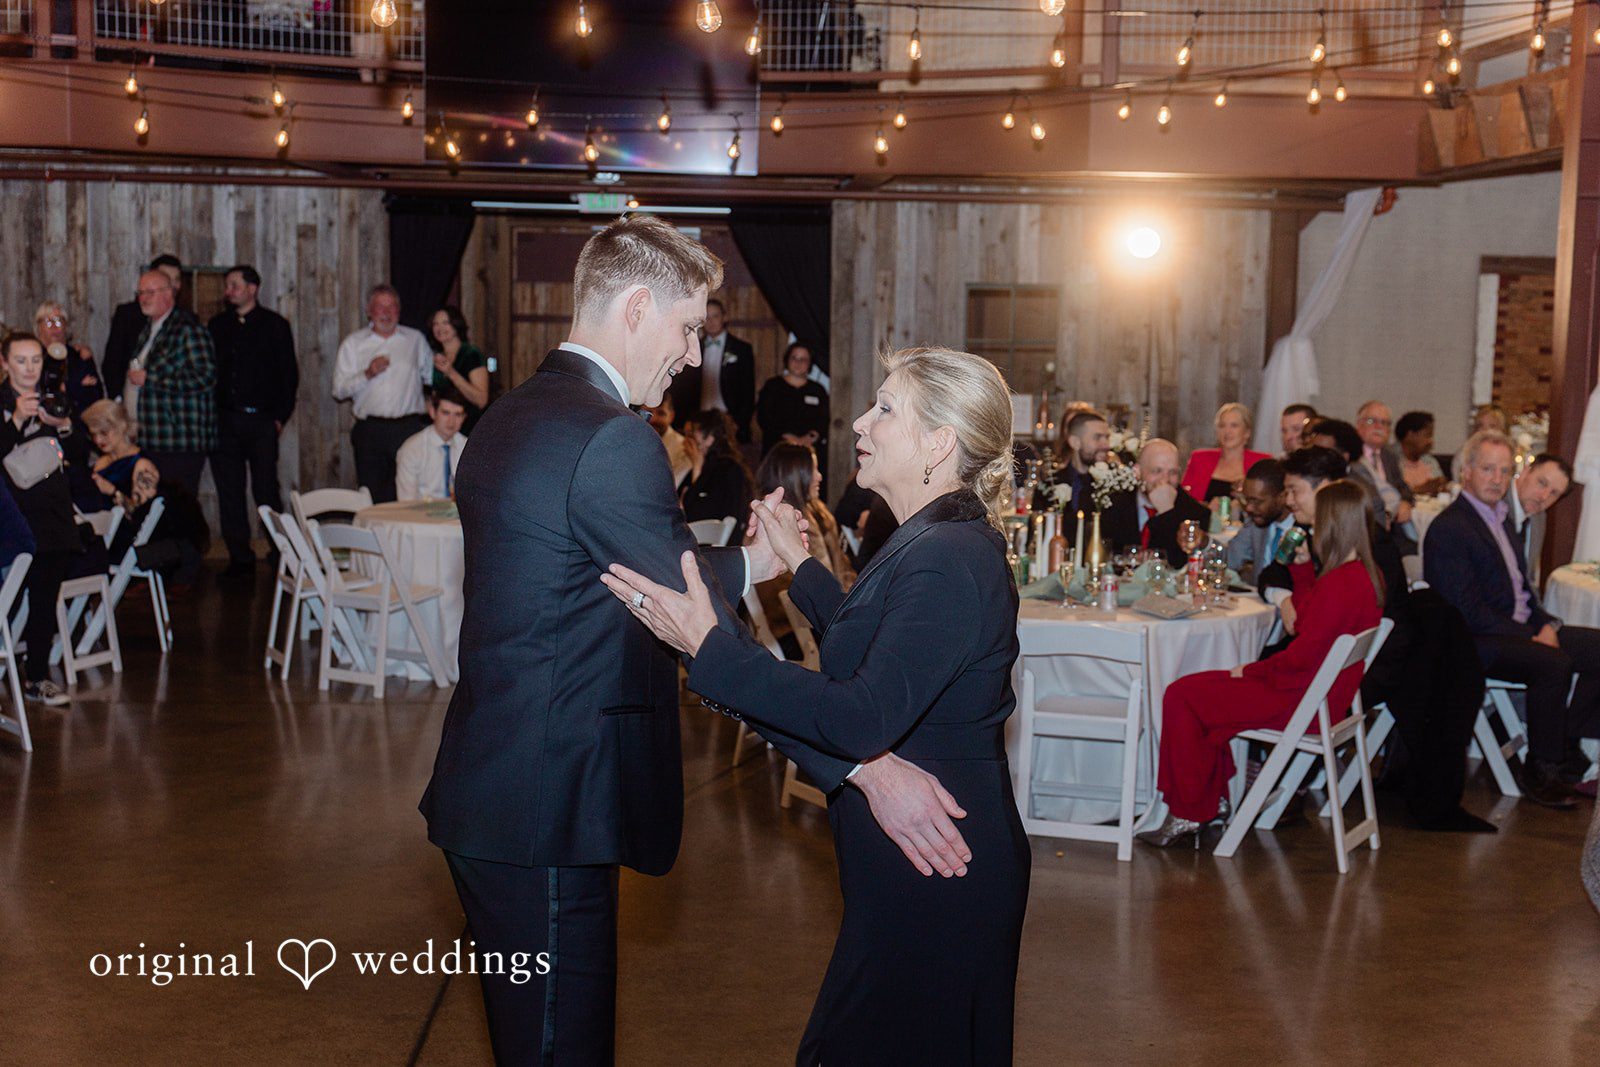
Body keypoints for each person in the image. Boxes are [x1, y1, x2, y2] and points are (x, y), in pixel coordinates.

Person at [419, 216, 958, 1063]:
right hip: (552, 804)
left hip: (494, 781)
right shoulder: (614, 437)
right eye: (685, 328)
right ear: (637, 308)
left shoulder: (512, 416)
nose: (690, 355)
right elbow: (691, 620)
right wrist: (862, 766)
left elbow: (608, 566)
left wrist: (751, 562)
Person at [604, 345, 1030, 1064]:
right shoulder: (932, 538)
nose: (860, 421)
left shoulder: (949, 554)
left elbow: (862, 715)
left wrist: (710, 645)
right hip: (920, 860)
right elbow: (886, 656)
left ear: (939, 443)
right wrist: (801, 568)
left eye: (885, 408)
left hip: (938, 871)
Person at [1138, 479, 1383, 848]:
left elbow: (1300, 654)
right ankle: (1210, 800)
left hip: (1299, 699)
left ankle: (1188, 810)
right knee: (1199, 694)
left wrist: (1249, 671)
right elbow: (1305, 624)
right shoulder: (1363, 575)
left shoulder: (1339, 585)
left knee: (1182, 695)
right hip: (1321, 697)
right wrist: (1303, 571)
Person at [1265, 447, 1488, 831]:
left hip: (1375, 663)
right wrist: (1284, 597)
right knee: (1271, 658)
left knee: (1266, 668)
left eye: (1294, 490)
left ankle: (1280, 783)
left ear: (1325, 490)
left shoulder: (1366, 543)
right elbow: (1272, 572)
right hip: (1335, 648)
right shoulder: (1310, 531)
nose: (1288, 500)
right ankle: (1277, 780)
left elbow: (1344, 620)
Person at [1423, 430, 1600, 807]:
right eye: (1488, 469)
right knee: (1552, 663)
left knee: (1597, 647)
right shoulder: (1451, 527)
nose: (1497, 479)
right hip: (1474, 640)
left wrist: (1545, 624)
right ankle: (1540, 769)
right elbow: (1466, 611)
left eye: (1504, 471)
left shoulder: (1500, 518)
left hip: (1511, 630)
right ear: (1466, 471)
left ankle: (1568, 742)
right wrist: (1529, 634)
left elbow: (1522, 591)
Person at [0, 333, 107, 708]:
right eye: (21, 360)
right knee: (9, 598)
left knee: (45, 600)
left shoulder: (53, 397)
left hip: (52, 514)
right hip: (11, 516)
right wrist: (16, 419)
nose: (29, 369)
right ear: (5, 363)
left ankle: (37, 676)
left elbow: (79, 452)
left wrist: (61, 424)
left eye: (35, 360)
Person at [208, 264, 298, 574]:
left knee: (266, 490)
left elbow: (288, 376)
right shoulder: (218, 326)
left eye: (234, 285)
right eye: (227, 286)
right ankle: (239, 558)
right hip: (225, 422)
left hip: (261, 422)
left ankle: (281, 553)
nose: (228, 291)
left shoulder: (275, 325)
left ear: (252, 288)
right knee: (230, 493)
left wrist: (279, 418)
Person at [82, 400, 209, 585]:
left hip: (126, 539)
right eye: (94, 434)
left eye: (104, 433)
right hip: (103, 531)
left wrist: (111, 491)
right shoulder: (102, 463)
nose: (98, 440)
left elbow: (140, 516)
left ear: (121, 426)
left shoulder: (142, 465)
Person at [331, 283, 432, 503]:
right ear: (369, 310)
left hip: (408, 428)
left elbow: (430, 378)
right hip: (370, 431)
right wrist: (367, 373)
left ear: (399, 311)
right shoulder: (353, 344)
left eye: (391, 307)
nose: (386, 313)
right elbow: (338, 390)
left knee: (409, 493)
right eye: (379, 307)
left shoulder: (415, 340)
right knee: (372, 494)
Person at [125, 268, 217, 502]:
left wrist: (150, 379)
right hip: (152, 437)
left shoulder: (188, 329)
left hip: (178, 440)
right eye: (140, 293)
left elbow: (206, 377)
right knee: (156, 508)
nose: (143, 298)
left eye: (150, 292)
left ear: (169, 294)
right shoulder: (148, 330)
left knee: (179, 508)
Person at [1100, 438, 1210, 567]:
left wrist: (1167, 513)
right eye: (1157, 471)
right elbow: (1108, 556)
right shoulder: (1113, 504)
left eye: (1173, 472)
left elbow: (1179, 564)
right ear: (1138, 472)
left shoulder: (1195, 513)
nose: (1165, 480)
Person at [756, 443, 854, 585]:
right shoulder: (774, 520)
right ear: (794, 475)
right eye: (813, 469)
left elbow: (841, 569)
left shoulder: (817, 512)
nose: (820, 476)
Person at [668, 296, 756, 444]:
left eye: (716, 316)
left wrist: (740, 422)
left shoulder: (741, 349)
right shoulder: (691, 348)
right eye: (707, 317)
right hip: (698, 419)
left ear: (724, 317)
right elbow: (685, 388)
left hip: (729, 420)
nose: (711, 321)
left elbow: (748, 390)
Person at [102, 253, 182, 401]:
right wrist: (118, 400)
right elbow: (113, 362)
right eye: (166, 278)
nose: (173, 285)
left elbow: (198, 375)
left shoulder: (186, 323)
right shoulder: (128, 315)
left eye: (176, 279)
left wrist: (150, 379)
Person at [679, 408, 755, 541]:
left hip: (713, 546)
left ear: (709, 438)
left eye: (691, 435)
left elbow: (694, 514)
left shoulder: (729, 470)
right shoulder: (702, 466)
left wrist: (697, 468)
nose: (686, 441)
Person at [1179, 402, 1271, 505]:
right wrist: (1206, 507)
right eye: (1222, 426)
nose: (1227, 431)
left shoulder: (1261, 462)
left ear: (1247, 432)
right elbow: (1182, 500)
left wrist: (1242, 505)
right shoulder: (1199, 458)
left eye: (1234, 426)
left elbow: (1267, 504)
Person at [757, 341, 830, 465]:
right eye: (794, 358)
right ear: (787, 360)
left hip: (809, 451)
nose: (798, 362)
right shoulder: (772, 386)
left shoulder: (817, 390)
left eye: (803, 359)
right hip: (777, 451)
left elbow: (824, 419)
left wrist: (811, 437)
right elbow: (764, 417)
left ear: (810, 363)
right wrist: (788, 437)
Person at [1225, 457, 1294, 584]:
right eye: (1247, 500)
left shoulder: (1301, 531)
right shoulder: (1257, 524)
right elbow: (1230, 558)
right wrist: (1204, 542)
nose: (1249, 508)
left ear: (1282, 497)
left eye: (1257, 501)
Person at [1507, 452, 1573, 584]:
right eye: (1542, 483)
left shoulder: (1539, 518)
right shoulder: (1494, 503)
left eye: (1554, 493)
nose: (1544, 497)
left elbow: (1528, 577)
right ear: (1526, 472)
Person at [394, 387, 468, 502]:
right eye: (445, 413)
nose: (451, 421)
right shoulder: (412, 449)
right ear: (432, 412)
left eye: (457, 415)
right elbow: (407, 502)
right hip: (421, 512)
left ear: (464, 418)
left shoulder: (469, 448)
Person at [33, 301, 105, 417]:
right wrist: (77, 385)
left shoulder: (80, 356)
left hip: (78, 419)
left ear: (66, 326)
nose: (54, 327)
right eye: (48, 322)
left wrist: (66, 388)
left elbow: (96, 395)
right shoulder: (32, 358)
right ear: (39, 327)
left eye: (58, 321)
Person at [428, 306, 491, 434]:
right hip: (444, 429)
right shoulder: (437, 357)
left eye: (445, 323)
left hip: (470, 426)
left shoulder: (471, 354)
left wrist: (451, 373)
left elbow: (481, 400)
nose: (440, 328)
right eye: (435, 324)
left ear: (456, 325)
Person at [1354, 400, 1415, 530]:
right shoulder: (1352, 456)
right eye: (1372, 421)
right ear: (1358, 425)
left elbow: (1403, 487)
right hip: (1361, 523)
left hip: (1392, 525)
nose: (1378, 427)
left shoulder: (1390, 456)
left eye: (1384, 423)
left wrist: (1405, 502)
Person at [1052, 407, 1111, 516]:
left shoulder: (1115, 484)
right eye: (1097, 437)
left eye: (1107, 437)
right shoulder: (1052, 483)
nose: (1106, 445)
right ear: (1075, 442)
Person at [1395, 410, 1449, 495]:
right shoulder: (1389, 460)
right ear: (1411, 435)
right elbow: (1389, 493)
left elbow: (1440, 487)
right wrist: (1419, 489)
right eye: (1428, 435)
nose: (1430, 441)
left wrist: (1442, 486)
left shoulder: (1430, 461)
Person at [646, 390, 691, 487]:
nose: (653, 419)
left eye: (661, 413)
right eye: (648, 413)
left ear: (671, 416)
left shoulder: (684, 449)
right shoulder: (630, 440)